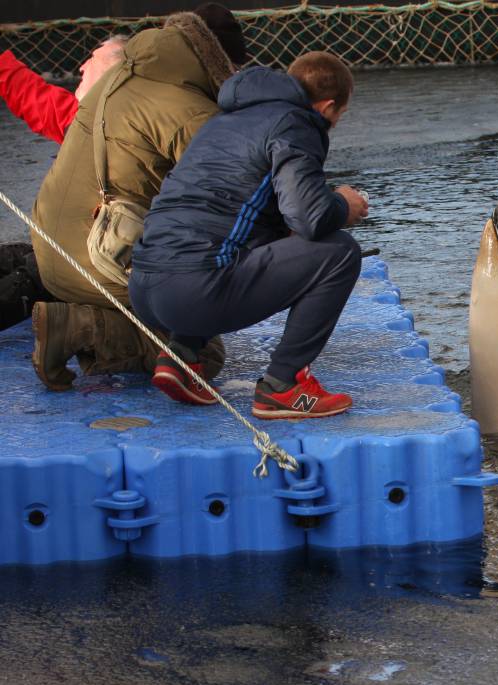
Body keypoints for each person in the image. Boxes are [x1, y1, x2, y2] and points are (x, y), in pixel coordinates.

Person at [130, 51, 367, 420]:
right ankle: (283, 386)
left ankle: (181, 358)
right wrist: (342, 204)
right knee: (340, 252)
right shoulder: (297, 123)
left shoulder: (224, 121)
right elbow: (310, 217)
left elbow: (240, 213)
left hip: (144, 288)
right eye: (339, 116)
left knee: (230, 239)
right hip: (195, 292)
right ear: (328, 106)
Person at [28, 6, 247, 391]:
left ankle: (90, 323)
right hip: (98, 261)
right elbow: (242, 193)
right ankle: (83, 330)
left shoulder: (117, 75)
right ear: (220, 65)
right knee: (199, 353)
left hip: (50, 249)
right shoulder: (190, 110)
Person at [0, 37, 127, 331]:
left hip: (97, 266)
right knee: (14, 256)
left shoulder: (125, 137)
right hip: (68, 251)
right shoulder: (85, 122)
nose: (82, 65)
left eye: (94, 58)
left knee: (30, 278)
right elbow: (36, 99)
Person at [0, 36, 126, 145]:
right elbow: (34, 96)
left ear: (113, 80)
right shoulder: (81, 121)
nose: (82, 67)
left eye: (92, 59)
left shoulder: (94, 129)